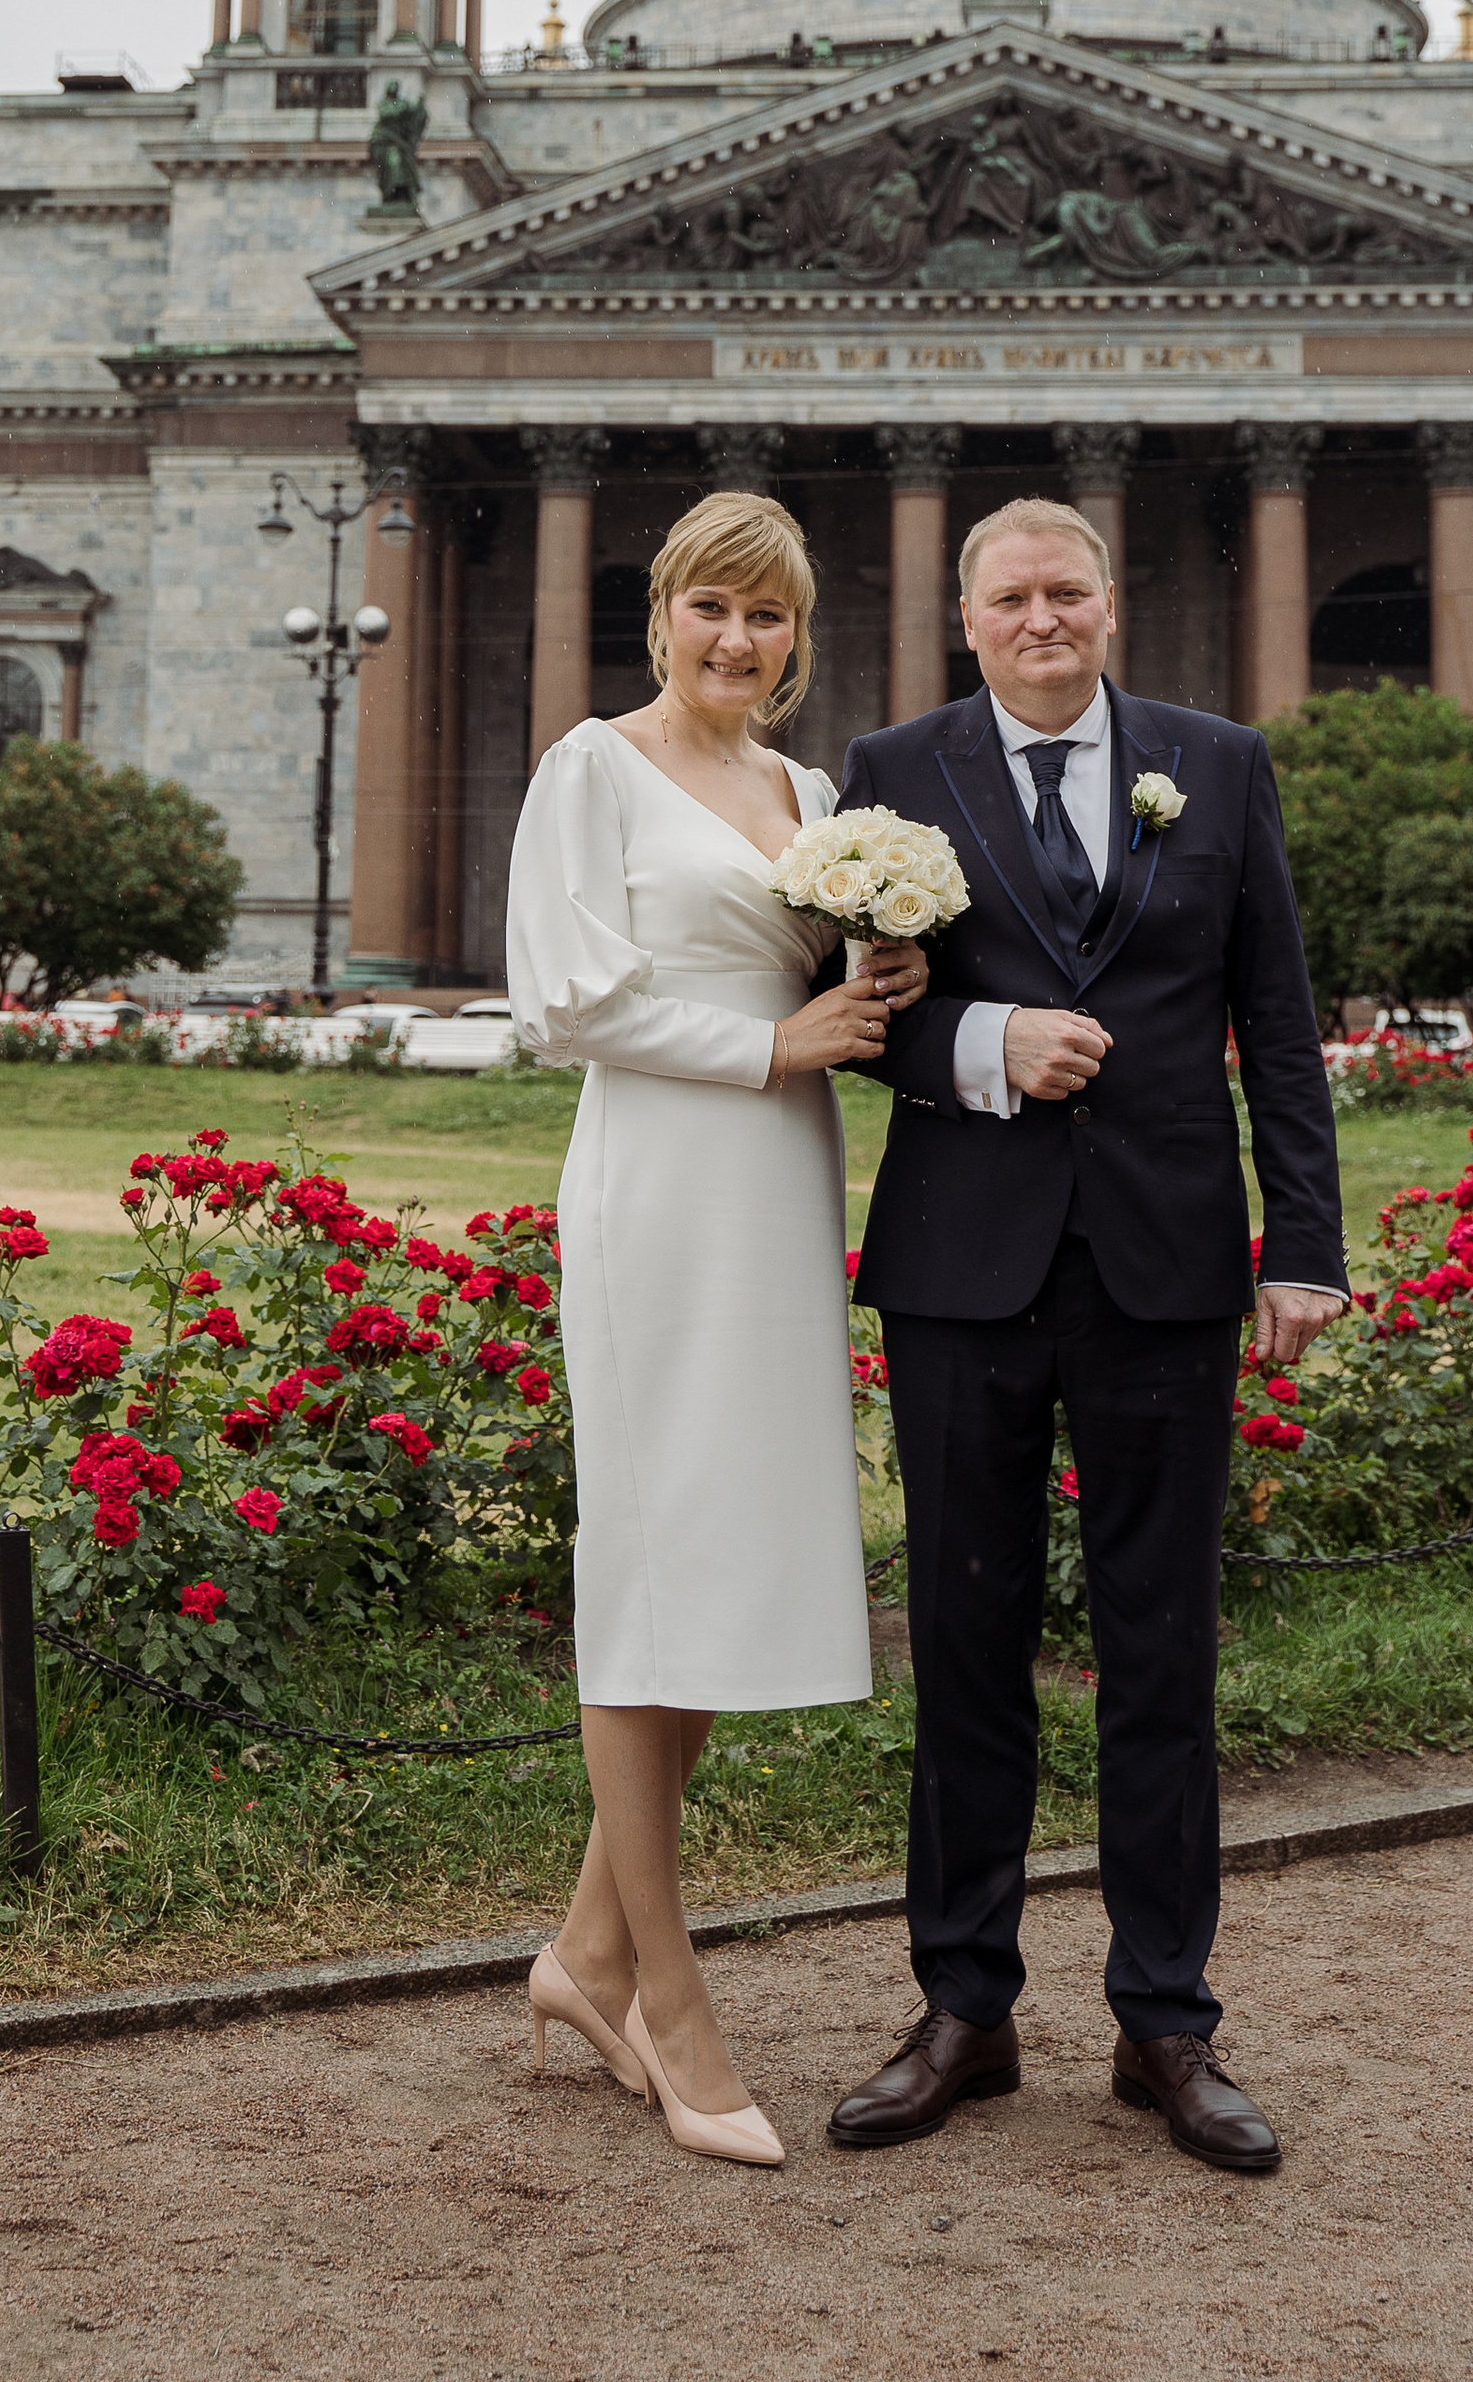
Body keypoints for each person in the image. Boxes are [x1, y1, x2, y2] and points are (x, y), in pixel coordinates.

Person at [829, 498, 1344, 2173]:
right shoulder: (890, 768)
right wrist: (983, 1043)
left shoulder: (1221, 761)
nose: (1041, 619)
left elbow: (1277, 1016)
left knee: (1163, 1654)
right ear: (963, 619)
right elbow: (858, 1017)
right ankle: (963, 2011)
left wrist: (1308, 1252)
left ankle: (1167, 2026)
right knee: (967, 1654)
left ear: (1110, 607)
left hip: (1168, 1267)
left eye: (1067, 592)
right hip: (962, 1265)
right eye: (1011, 598)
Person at [506, 490, 928, 2167]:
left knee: (723, 1555)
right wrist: (773, 1044)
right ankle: (671, 2003)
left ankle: (586, 1958)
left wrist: (874, 989)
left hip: (780, 1179)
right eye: (709, 610)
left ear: (794, 636)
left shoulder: (813, 796)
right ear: (662, 613)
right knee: (651, 1562)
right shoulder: (589, 769)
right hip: (663, 1173)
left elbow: (822, 982)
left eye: (767, 617)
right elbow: (569, 996)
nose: (736, 641)